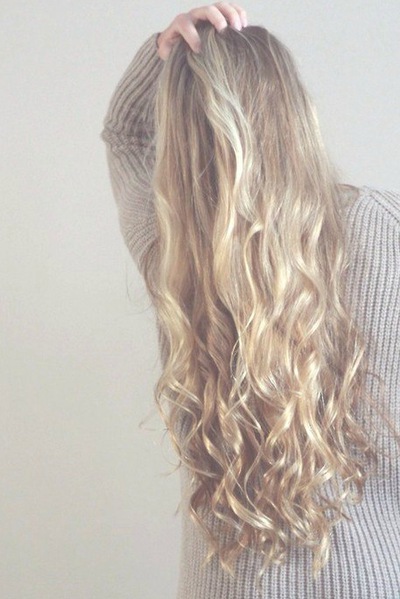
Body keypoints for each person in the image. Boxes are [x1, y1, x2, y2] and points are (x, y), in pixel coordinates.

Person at [101, 3, 400, 597]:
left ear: (181, 136)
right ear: (295, 113)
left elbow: (125, 136)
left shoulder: (175, 251)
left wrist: (164, 52)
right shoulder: (382, 228)